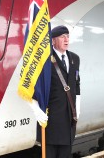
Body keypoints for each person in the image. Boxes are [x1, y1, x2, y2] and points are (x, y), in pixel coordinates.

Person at [28, 25, 81, 158]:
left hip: (69, 119)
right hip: (51, 120)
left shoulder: (74, 58)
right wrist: (37, 111)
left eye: (67, 36)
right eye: (62, 37)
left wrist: (77, 108)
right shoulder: (44, 61)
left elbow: (77, 84)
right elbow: (33, 89)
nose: (66, 39)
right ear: (53, 40)